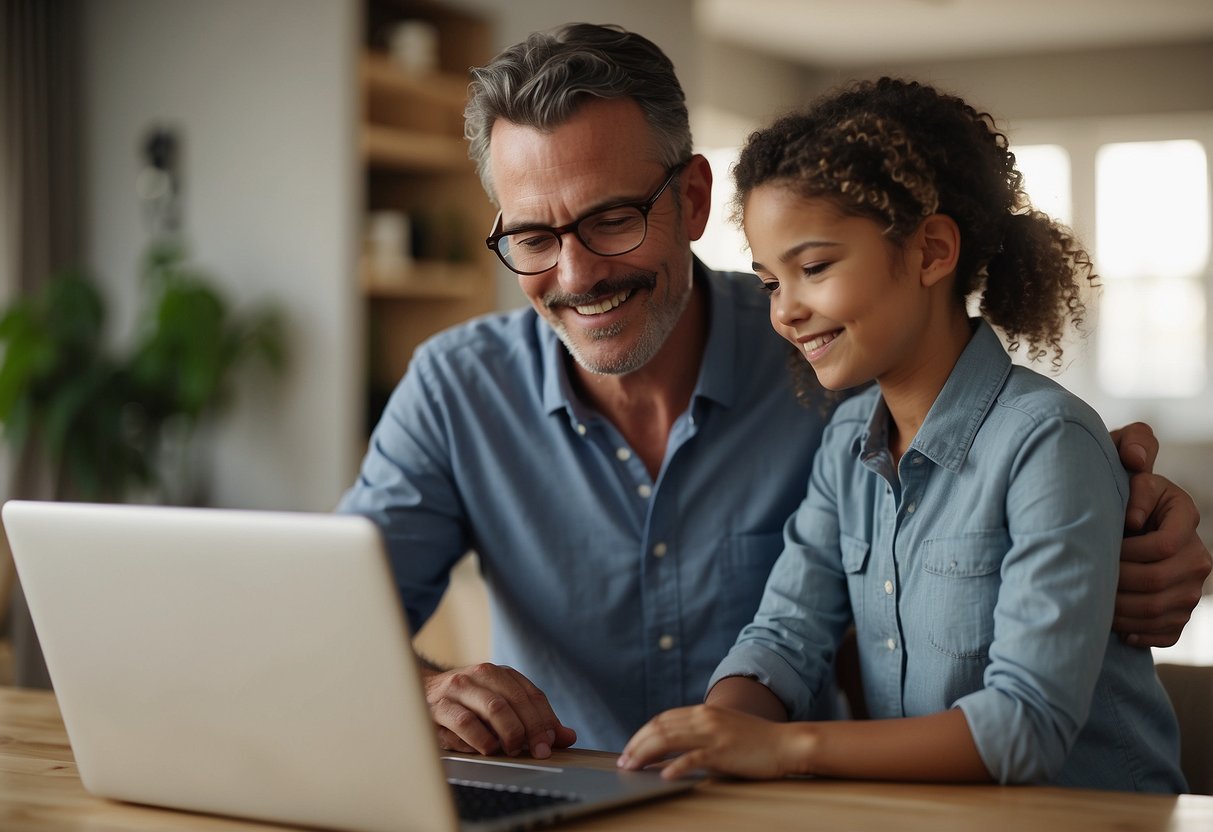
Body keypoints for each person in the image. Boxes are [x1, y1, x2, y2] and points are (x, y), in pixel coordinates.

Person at [337, 23, 1210, 758]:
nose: (574, 273)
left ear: (690, 196)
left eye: (611, 219)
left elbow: (1006, 461)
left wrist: (1133, 509)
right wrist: (424, 690)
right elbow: (336, 620)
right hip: (602, 794)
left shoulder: (836, 365)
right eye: (531, 235)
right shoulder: (456, 388)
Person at [619, 77, 1188, 792]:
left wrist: (782, 747)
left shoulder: (1048, 444)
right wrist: (715, 735)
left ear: (929, 253)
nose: (785, 312)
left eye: (814, 268)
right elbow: (784, 636)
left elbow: (1024, 728)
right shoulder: (845, 444)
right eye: (769, 283)